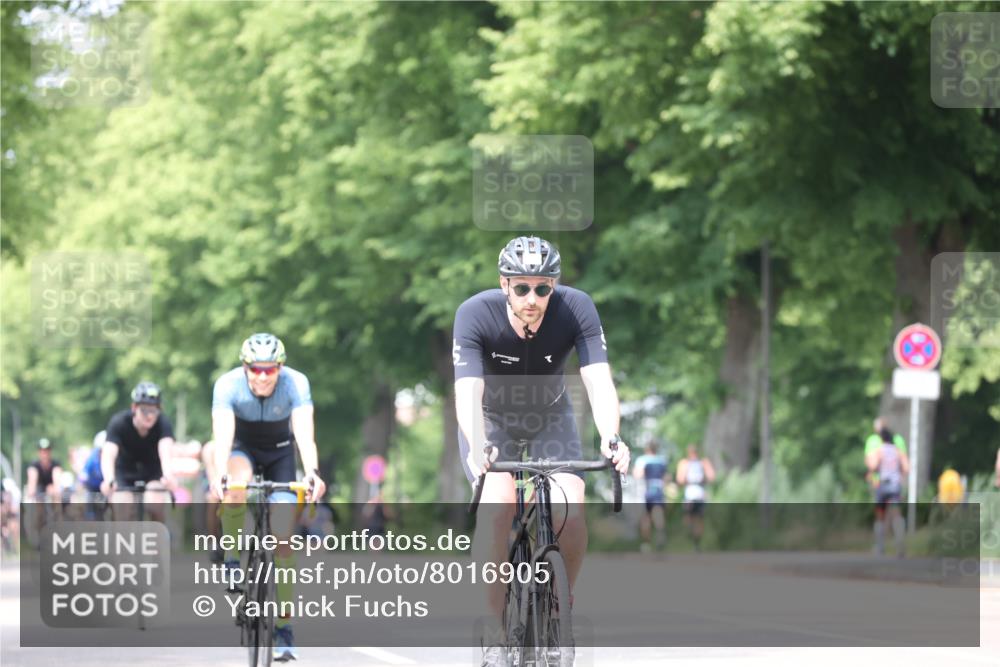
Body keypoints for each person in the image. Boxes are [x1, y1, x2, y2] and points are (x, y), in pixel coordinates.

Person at [453, 236, 630, 667]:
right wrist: (479, 447)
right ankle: (495, 629)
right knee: (498, 507)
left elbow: (598, 380)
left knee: (572, 504)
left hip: (550, 418)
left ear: (555, 286)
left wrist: (612, 438)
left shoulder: (577, 308)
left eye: (543, 288)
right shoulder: (475, 314)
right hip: (491, 420)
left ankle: (558, 605)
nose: (532, 299)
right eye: (521, 288)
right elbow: (467, 392)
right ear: (504, 284)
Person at [211, 332, 326, 662]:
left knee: (284, 538)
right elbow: (222, 437)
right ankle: (233, 558)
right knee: (236, 484)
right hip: (241, 449)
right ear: (245, 367)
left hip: (280, 455)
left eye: (270, 369)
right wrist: (221, 473)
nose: (262, 376)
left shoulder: (296, 384)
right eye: (256, 369)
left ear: (280, 368)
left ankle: (284, 627)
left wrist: (312, 472)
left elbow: (304, 434)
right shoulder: (227, 385)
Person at [100, 382, 178, 522]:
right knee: (122, 508)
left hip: (153, 471)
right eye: (144, 410)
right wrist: (108, 479)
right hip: (124, 472)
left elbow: (165, 450)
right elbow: (109, 453)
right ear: (134, 408)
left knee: (155, 504)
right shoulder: (118, 422)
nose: (149, 416)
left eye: (154, 411)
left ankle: (158, 538)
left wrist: (168, 476)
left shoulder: (163, 423)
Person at [866, 427, 910, 557]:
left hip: (883, 485)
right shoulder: (898, 451)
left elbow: (873, 466)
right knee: (897, 514)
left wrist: (871, 473)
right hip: (895, 485)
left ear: (882, 439)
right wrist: (899, 475)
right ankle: (900, 545)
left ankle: (880, 547)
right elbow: (906, 467)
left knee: (880, 515)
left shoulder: (880, 450)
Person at [632, 439, 669, 552]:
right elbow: (666, 477)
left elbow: (638, 475)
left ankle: (646, 543)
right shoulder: (662, 460)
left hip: (646, 490)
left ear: (646, 449)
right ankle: (660, 533)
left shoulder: (642, 460)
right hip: (658, 490)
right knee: (658, 513)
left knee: (645, 517)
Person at [676, 444, 715, 551]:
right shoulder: (703, 462)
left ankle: (690, 540)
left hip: (690, 494)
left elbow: (680, 480)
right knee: (699, 519)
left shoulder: (684, 463)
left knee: (688, 518)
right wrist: (703, 480)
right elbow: (711, 477)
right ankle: (696, 543)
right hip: (700, 494)